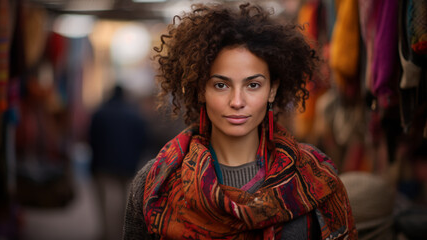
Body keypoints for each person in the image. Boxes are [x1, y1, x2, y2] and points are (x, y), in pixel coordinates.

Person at [123, 3, 357, 240]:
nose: (237, 101)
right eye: (221, 85)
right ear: (201, 90)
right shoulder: (157, 181)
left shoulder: (315, 176)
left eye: (253, 85)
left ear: (272, 90)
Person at [89, 84, 149, 240]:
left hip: (102, 165)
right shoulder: (135, 115)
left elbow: (91, 139)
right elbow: (142, 141)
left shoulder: (99, 113)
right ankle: (122, 232)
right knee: (126, 202)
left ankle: (106, 232)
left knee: (103, 201)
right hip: (128, 167)